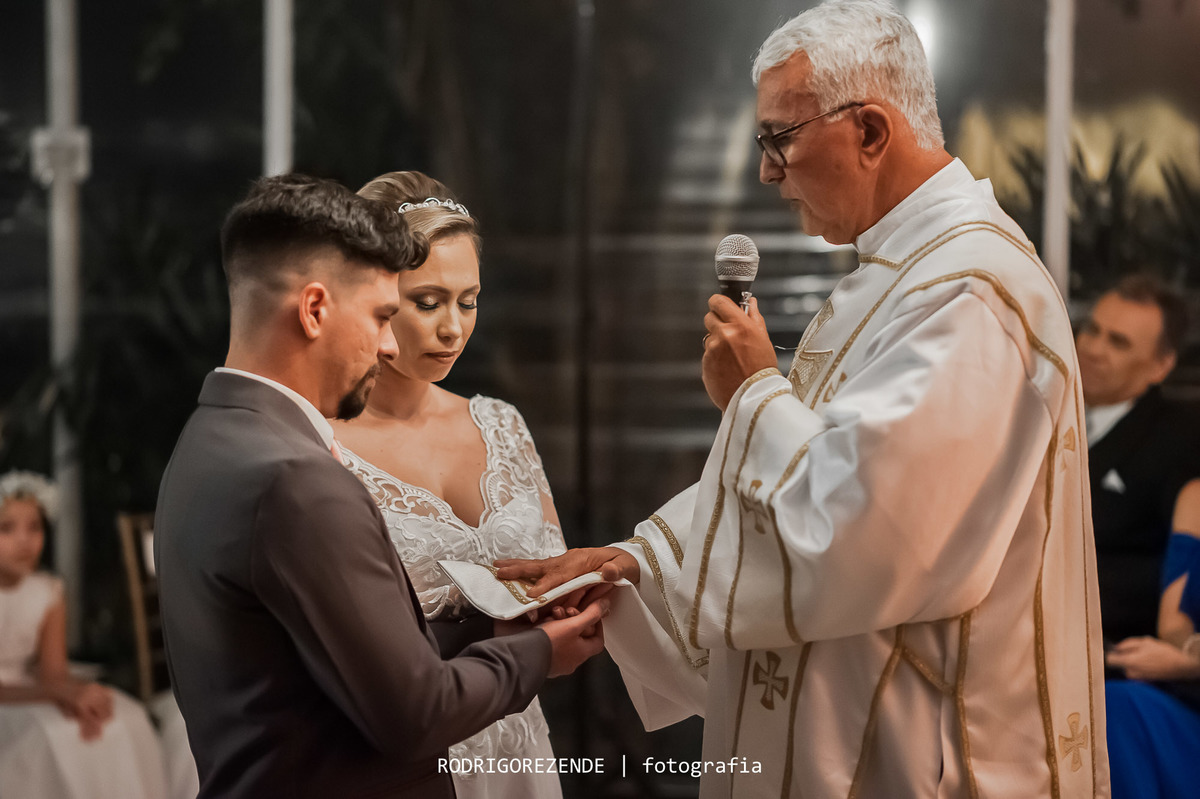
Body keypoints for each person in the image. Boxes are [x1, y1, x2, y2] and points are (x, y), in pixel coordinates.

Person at [497, 1, 1109, 796]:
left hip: (922, 759)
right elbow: (825, 462)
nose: (766, 172)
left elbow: (869, 531)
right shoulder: (902, 276)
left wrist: (752, 392)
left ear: (870, 131)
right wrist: (639, 564)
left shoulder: (969, 293)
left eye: (779, 138)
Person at [154, 174, 607, 799]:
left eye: (469, 300)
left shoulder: (209, 435)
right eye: (384, 315)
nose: (390, 343)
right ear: (315, 310)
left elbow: (325, 651)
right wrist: (538, 653)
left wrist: (491, 630)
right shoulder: (300, 478)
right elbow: (414, 711)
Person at [331, 170, 567, 799]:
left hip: (517, 746)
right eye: (429, 302)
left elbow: (555, 573)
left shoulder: (501, 423)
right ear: (375, 294)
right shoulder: (322, 443)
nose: (453, 329)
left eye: (469, 301)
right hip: (403, 758)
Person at [0, 470, 167, 799]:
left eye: (34, 527)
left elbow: (53, 672)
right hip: (9, 697)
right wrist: (59, 696)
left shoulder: (47, 591)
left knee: (124, 720)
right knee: (45, 737)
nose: (25, 540)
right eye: (6, 528)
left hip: (34, 684)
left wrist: (75, 699)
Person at [1076, 275, 1200, 645]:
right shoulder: (1028, 410)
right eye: (1092, 330)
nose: (1093, 349)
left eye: (1118, 342)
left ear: (1160, 366)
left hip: (1107, 647)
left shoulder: (1182, 440)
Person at [1104, 477, 1200, 798]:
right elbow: (1174, 628)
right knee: (1117, 705)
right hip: (1191, 702)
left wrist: (1189, 664)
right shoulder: (1194, 497)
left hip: (1192, 673)